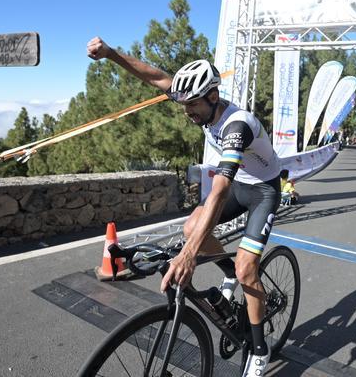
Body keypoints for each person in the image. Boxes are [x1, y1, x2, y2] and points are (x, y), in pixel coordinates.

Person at [86, 37, 278, 376]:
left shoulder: (237, 125)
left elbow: (219, 191)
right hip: (241, 184)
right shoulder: (200, 100)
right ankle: (230, 275)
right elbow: (156, 77)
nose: (186, 111)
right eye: (183, 104)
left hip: (262, 189)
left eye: (192, 106)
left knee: (248, 268)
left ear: (213, 96)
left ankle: (260, 349)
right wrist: (112, 53)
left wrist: (189, 256)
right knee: (192, 229)